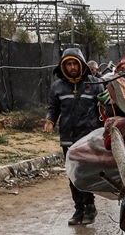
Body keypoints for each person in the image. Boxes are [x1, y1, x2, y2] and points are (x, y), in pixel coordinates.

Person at [44, 47, 104, 225]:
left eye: (74, 64)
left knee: (86, 173)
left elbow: (104, 108)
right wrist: (50, 120)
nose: (72, 67)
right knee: (73, 174)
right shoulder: (57, 87)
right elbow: (53, 108)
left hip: (88, 138)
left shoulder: (95, 84)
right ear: (63, 66)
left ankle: (90, 207)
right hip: (68, 138)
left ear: (81, 65)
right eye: (68, 64)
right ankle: (78, 209)